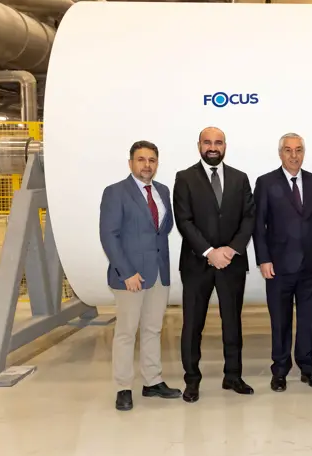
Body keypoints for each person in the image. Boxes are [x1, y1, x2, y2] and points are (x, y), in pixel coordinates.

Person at [173, 126, 256, 402]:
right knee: (192, 324)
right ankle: (192, 380)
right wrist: (210, 252)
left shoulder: (240, 178)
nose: (213, 147)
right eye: (207, 142)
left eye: (218, 143)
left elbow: (249, 218)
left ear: (225, 146)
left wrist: (230, 250)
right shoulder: (184, 178)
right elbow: (184, 221)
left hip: (232, 263)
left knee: (232, 322)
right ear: (199, 146)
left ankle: (233, 376)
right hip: (196, 264)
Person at [99, 140, 182, 411]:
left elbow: (162, 230)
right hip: (130, 277)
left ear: (157, 164)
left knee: (152, 329)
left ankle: (152, 381)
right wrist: (127, 273)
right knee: (126, 332)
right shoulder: (115, 192)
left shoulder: (162, 191)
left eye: (152, 160)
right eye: (141, 159)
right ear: (131, 163)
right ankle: (123, 387)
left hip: (158, 273)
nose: (147, 165)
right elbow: (109, 236)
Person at [253, 133, 312, 392]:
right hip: (278, 266)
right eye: (288, 150)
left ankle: (308, 367)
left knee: (308, 319)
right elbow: (258, 225)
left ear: (303, 153)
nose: (294, 155)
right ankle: (280, 370)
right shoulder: (266, 182)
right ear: (280, 153)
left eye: (298, 150)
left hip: (310, 265)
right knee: (280, 321)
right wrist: (263, 259)